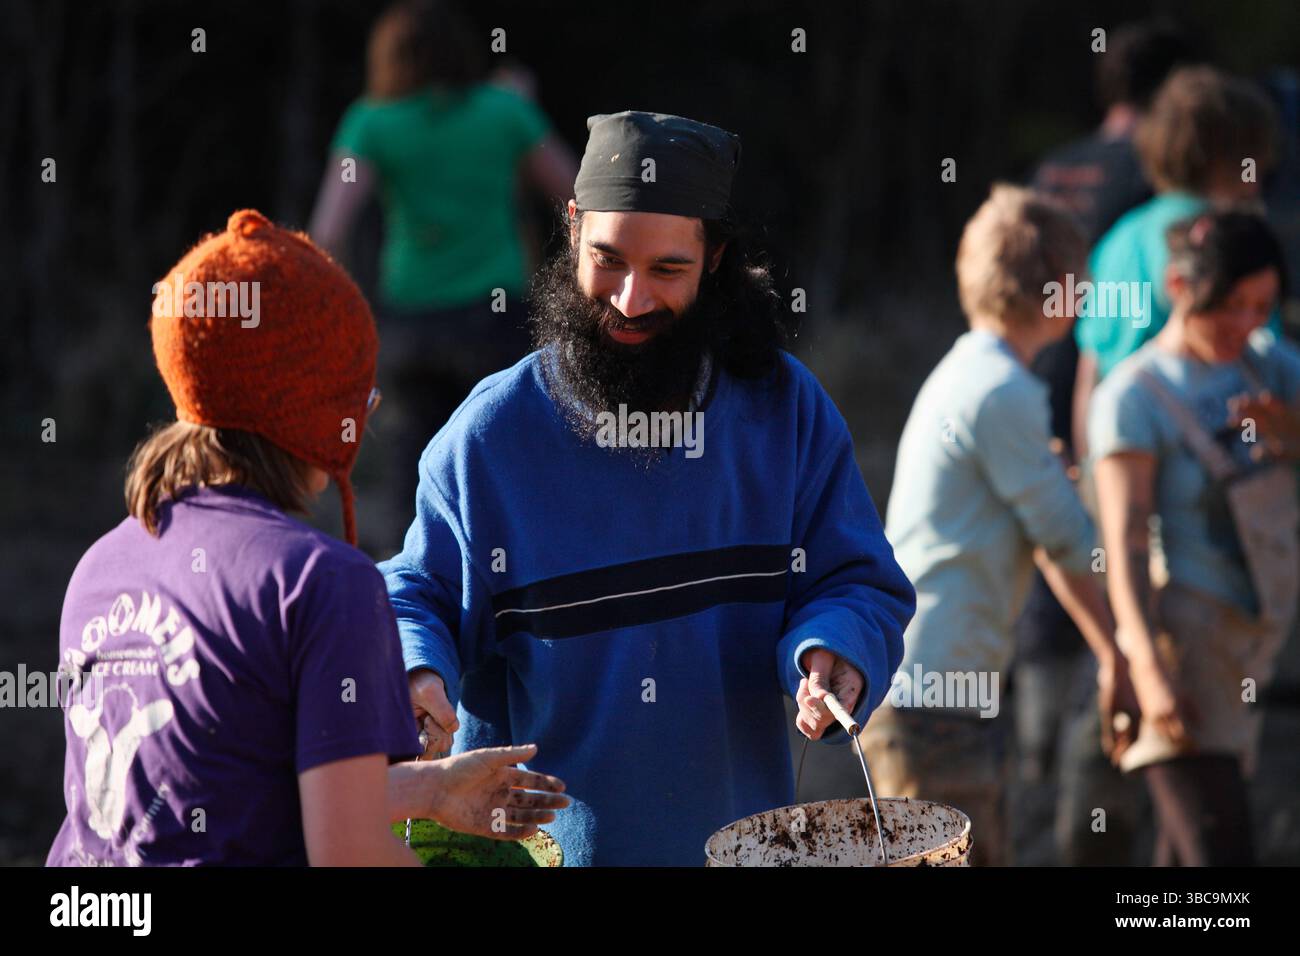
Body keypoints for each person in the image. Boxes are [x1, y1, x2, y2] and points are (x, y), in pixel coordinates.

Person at [379, 110, 916, 866]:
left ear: (715, 259)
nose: (630, 301)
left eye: (667, 270)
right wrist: (419, 669)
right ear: (571, 231)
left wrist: (836, 649)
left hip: (740, 849)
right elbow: (415, 591)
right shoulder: (492, 437)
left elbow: (855, 580)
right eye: (608, 261)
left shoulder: (783, 413)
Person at [46, 210, 567, 866]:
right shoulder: (318, 582)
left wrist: (428, 790)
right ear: (325, 413)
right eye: (361, 399)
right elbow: (346, 853)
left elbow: (216, 797)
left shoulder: (103, 564)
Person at [867, 185, 1138, 866]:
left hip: (935, 692)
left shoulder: (974, 373)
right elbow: (1068, 542)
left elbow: (1043, 529)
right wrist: (1120, 657)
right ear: (1059, 289)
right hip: (935, 700)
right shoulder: (1004, 391)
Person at [308, 0, 579, 550]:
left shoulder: (371, 122)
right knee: (508, 467)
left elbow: (327, 231)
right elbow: (578, 197)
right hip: (497, 318)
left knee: (414, 476)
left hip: (412, 321)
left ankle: (418, 610)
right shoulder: (503, 112)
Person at [1019, 18, 1194, 865]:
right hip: (1115, 427)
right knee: (1115, 596)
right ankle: (1091, 817)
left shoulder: (1057, 167)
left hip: (1039, 400)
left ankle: (1042, 768)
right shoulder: (1153, 184)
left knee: (1052, 589)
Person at [1089, 210, 1300, 865]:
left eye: (1261, 308)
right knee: (1220, 848)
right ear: (1179, 287)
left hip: (1250, 648)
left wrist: (1288, 432)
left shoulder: (1269, 367)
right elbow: (1122, 541)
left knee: (1186, 860)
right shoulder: (1135, 395)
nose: (1245, 325)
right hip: (1182, 653)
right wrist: (1144, 668)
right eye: (1229, 307)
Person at [1072, 66, 1279, 459]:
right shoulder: (1234, 242)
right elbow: (1267, 370)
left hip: (1119, 454)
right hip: (1199, 474)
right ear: (1233, 153)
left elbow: (1091, 372)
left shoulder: (1121, 237)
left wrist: (1094, 472)